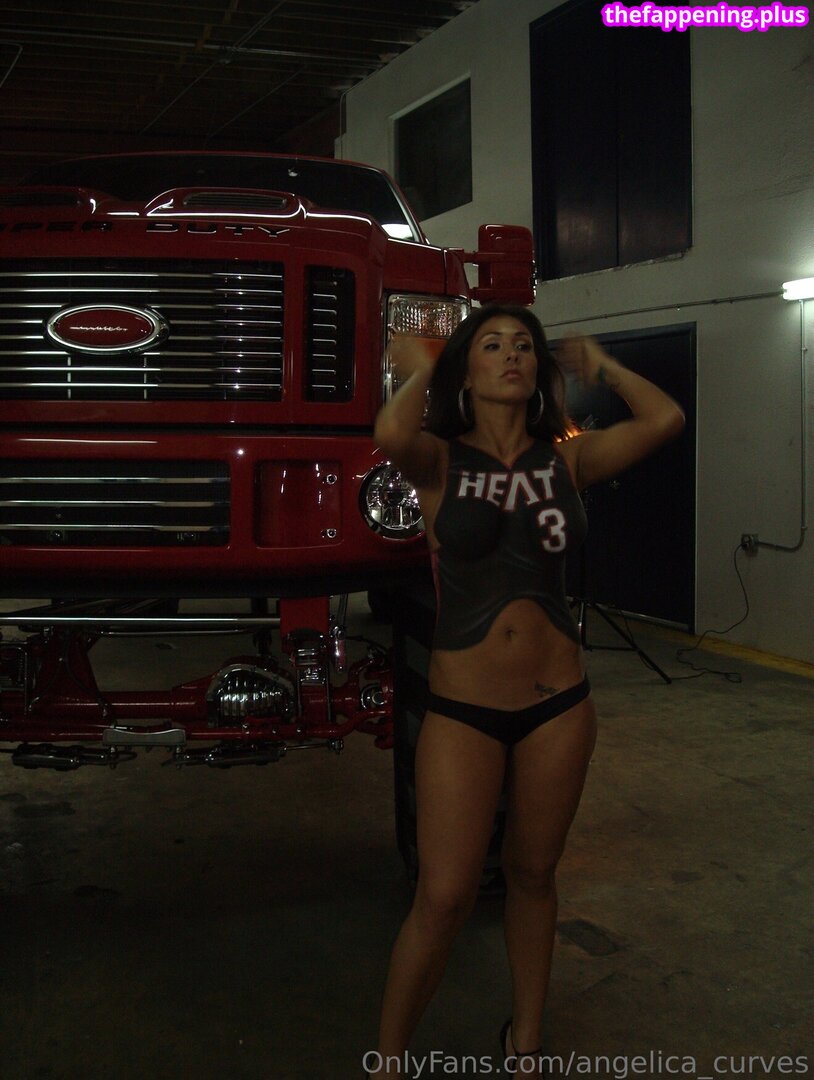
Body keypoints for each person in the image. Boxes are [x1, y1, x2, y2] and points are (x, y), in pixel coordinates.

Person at [368, 305, 685, 1078]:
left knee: (535, 875)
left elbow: (666, 419)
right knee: (444, 896)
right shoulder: (440, 461)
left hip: (558, 704)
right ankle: (389, 1057)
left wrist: (604, 367)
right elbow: (389, 434)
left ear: (537, 369)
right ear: (469, 370)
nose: (510, 354)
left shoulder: (566, 461)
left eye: (522, 346)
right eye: (492, 345)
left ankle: (526, 1044)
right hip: (463, 711)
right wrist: (423, 371)